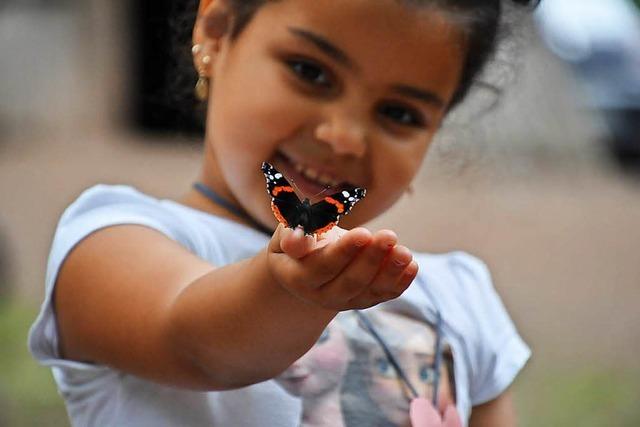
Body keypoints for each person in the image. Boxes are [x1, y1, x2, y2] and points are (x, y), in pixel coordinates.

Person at [29, 0, 535, 425]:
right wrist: (289, 292)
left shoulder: (460, 299)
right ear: (217, 32)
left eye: (399, 113)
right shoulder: (110, 243)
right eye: (310, 72)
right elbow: (198, 343)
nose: (344, 136)